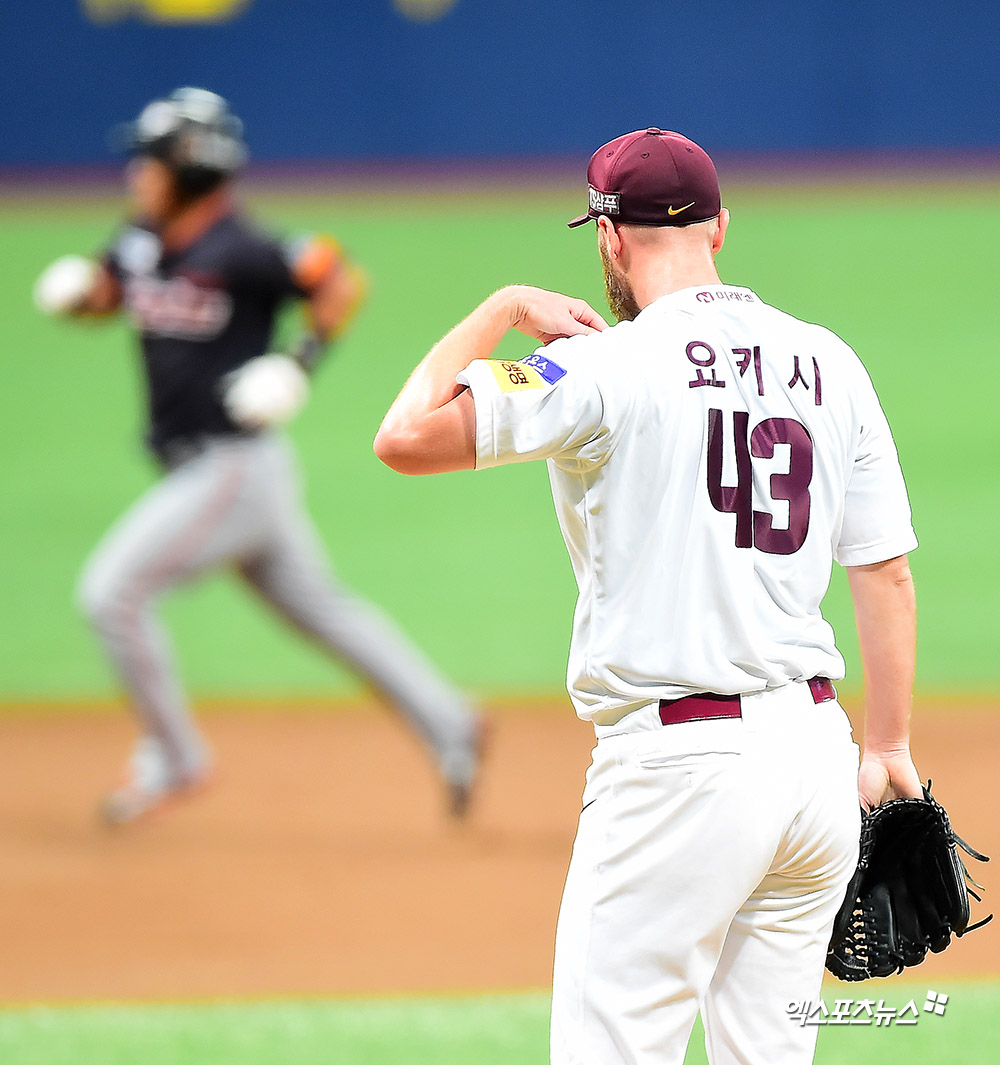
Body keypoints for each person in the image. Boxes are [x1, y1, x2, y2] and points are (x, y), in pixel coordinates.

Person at [373, 127, 924, 1064]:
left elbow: (404, 436)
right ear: (720, 228)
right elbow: (885, 569)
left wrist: (504, 306)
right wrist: (889, 746)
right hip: (816, 764)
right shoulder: (831, 362)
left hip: (678, 775)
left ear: (609, 237)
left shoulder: (601, 363)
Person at [34, 87, 484, 825]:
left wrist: (298, 363)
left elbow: (339, 279)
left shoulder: (244, 247)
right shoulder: (140, 238)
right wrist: (80, 296)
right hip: (217, 474)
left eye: (150, 161)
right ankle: (452, 721)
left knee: (111, 595)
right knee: (326, 613)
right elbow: (112, 292)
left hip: (231, 468)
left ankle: (176, 756)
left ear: (192, 166)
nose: (136, 174)